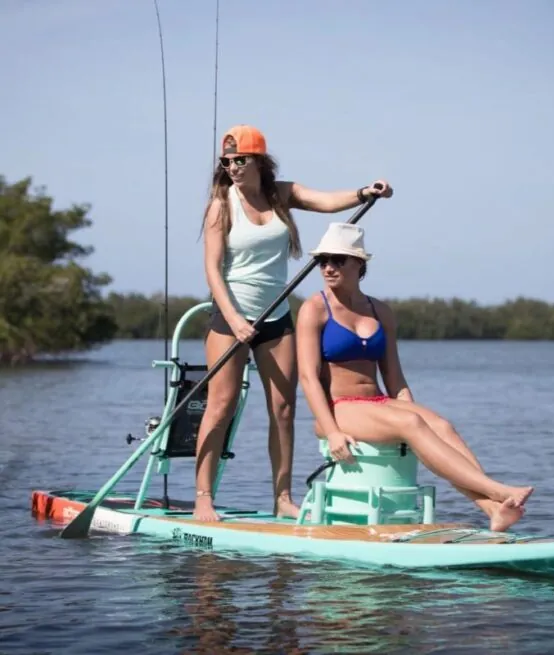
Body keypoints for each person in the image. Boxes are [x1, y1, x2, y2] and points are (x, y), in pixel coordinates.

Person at [196, 125, 393, 521]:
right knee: (220, 406)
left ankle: (282, 497)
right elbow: (212, 270)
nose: (233, 167)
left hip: (276, 316)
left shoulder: (281, 194)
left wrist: (363, 193)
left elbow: (324, 201)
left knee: (284, 408)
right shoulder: (221, 205)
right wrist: (234, 319)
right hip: (230, 316)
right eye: (227, 161)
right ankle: (203, 496)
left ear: (259, 161)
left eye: (241, 160)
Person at [296, 222, 535, 532]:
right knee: (411, 425)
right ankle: (498, 491)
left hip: (378, 403)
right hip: (339, 408)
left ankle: (492, 510)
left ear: (358, 263)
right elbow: (308, 377)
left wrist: (410, 408)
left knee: (439, 425)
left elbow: (394, 376)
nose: (328, 267)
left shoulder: (380, 311)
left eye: (337, 259)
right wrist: (331, 432)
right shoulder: (315, 309)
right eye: (322, 260)